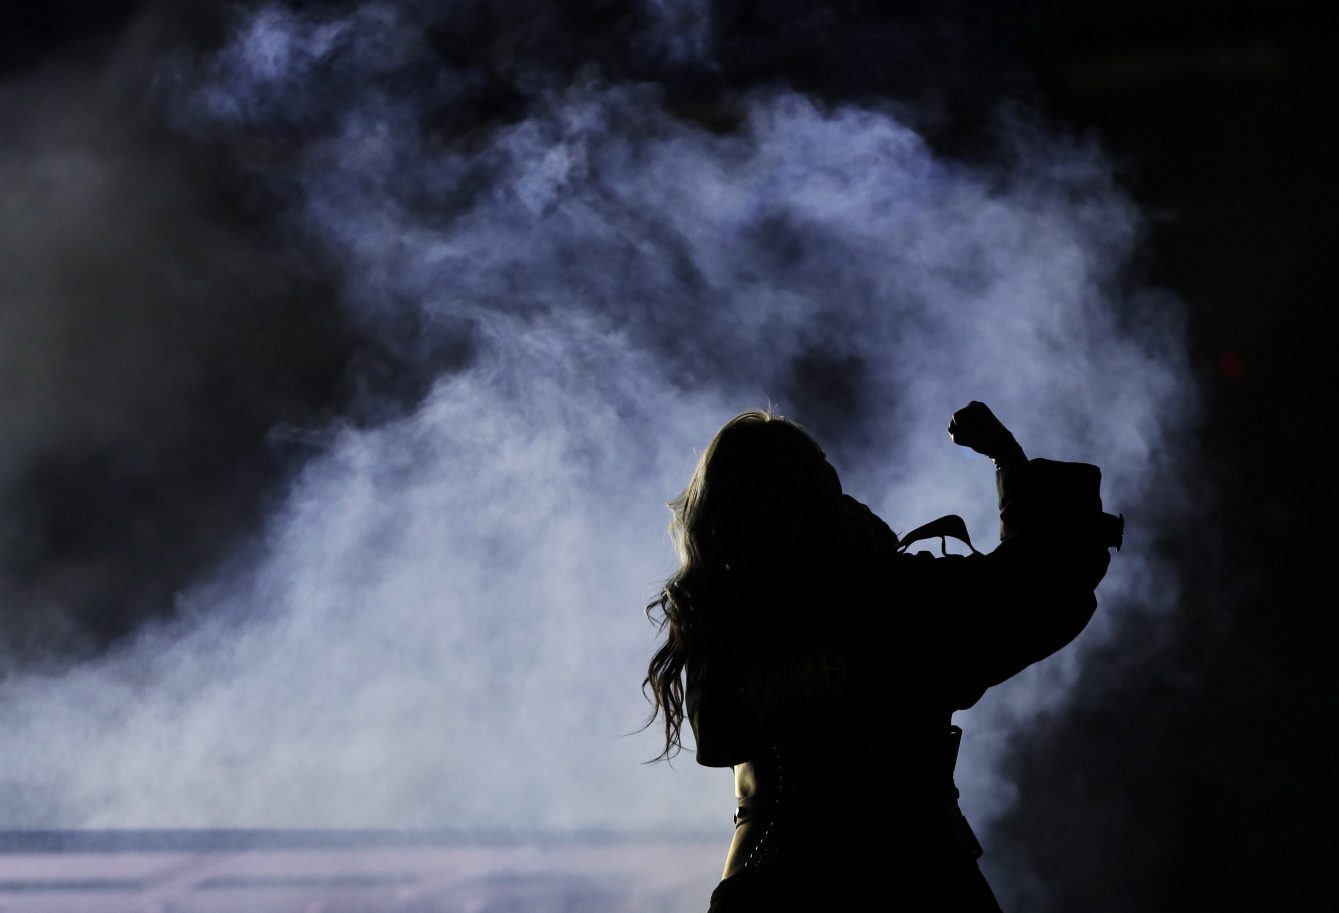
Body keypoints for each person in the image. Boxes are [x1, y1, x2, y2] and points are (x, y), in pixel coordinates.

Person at [643, 402, 1122, 911]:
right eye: (824, 473)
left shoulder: (724, 614)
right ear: (823, 494)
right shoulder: (895, 599)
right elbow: (1040, 591)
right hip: (917, 879)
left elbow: (718, 738)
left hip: (772, 887)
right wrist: (1008, 460)